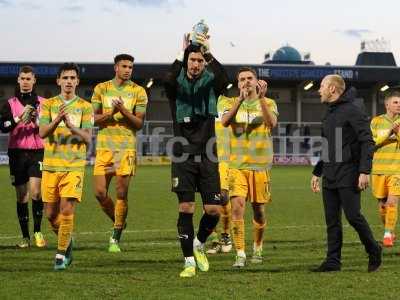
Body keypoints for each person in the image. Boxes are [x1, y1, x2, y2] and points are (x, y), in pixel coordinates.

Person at [164, 33, 229, 277]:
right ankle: (189, 261)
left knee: (214, 209)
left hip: (208, 155)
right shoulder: (176, 88)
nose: (196, 64)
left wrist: (209, 52)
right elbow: (168, 79)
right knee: (187, 207)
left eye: (200, 61)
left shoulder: (210, 86)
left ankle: (198, 242)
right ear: (186, 61)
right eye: (192, 60)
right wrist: (181, 52)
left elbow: (224, 78)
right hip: (183, 156)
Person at [310, 74, 382, 272]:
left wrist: (364, 171)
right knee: (332, 220)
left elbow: (368, 142)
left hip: (349, 172)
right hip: (330, 173)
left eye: (322, 86)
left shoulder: (352, 110)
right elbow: (327, 147)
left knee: (353, 216)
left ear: (332, 89)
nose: (319, 90)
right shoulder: (328, 114)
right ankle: (333, 261)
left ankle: (374, 249)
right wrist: (317, 172)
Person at [221, 67, 278, 268]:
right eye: (242, 79)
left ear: (256, 81)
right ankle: (240, 253)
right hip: (236, 166)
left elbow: (272, 122)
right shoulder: (229, 102)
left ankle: (258, 247)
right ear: (238, 84)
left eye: (249, 78)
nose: (246, 82)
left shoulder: (269, 103)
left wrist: (261, 98)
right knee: (236, 207)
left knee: (259, 211)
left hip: (260, 166)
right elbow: (225, 121)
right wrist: (239, 99)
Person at [39, 63, 93, 270]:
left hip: (74, 166)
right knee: (51, 216)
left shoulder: (85, 107)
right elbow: (43, 132)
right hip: (51, 166)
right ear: (58, 81)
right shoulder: (49, 105)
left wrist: (71, 126)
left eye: (73, 78)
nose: (69, 81)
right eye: (65, 77)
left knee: (67, 210)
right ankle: (67, 242)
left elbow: (88, 138)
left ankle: (61, 255)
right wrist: (58, 120)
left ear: (77, 81)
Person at [92, 54, 148, 252]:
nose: (127, 70)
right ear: (116, 67)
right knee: (99, 193)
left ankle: (115, 236)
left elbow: (139, 123)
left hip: (126, 148)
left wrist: (123, 110)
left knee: (121, 193)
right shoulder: (101, 88)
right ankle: (119, 220)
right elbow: (94, 119)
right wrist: (111, 114)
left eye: (131, 67)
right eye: (124, 66)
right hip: (104, 148)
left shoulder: (138, 91)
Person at [0, 66, 46, 249]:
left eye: (29, 78)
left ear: (34, 80)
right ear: (18, 80)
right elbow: (3, 127)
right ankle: (25, 237)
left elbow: (48, 127)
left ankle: (37, 232)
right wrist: (19, 118)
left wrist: (36, 119)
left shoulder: (43, 102)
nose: (26, 82)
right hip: (17, 153)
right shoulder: (9, 103)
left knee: (36, 192)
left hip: (37, 152)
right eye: (23, 78)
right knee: (22, 196)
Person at [370, 91, 400, 247]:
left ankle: (387, 234)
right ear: (387, 104)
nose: (399, 105)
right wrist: (390, 133)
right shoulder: (376, 121)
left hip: (397, 170)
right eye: (395, 102)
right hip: (378, 170)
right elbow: (373, 142)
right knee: (382, 205)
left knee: (392, 203)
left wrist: (398, 133)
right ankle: (390, 231)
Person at [207, 95, 233, 255]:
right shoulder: (199, 101)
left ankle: (226, 235)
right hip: (206, 159)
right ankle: (214, 240)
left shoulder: (228, 102)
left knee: (223, 198)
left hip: (224, 159)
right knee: (208, 202)